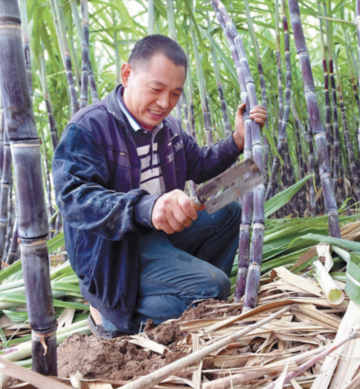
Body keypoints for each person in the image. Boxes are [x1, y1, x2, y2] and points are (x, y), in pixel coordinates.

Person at [53, 35, 266, 338]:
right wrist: (146, 207)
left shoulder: (169, 131)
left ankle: (185, 292)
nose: (165, 103)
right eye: (156, 89)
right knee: (214, 285)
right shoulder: (88, 128)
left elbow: (202, 164)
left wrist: (237, 142)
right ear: (127, 75)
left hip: (158, 235)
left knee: (228, 212)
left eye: (175, 94)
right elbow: (75, 199)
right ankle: (113, 318)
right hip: (115, 250)